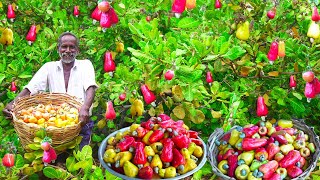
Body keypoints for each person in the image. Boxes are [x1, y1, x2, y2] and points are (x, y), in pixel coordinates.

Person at [2, 32, 98, 150]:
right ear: (58, 49)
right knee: (55, 161)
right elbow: (31, 88)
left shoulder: (85, 65)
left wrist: (85, 107)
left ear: (77, 50)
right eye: (64, 46)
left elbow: (91, 87)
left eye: (72, 47)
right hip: (56, 126)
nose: (68, 50)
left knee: (81, 157)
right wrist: (12, 104)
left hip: (81, 122)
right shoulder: (49, 67)